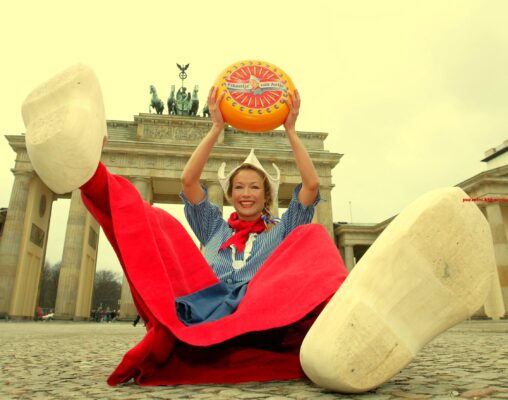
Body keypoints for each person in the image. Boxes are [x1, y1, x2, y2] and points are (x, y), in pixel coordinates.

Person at [22, 64, 496, 393]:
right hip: (207, 307)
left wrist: (290, 130)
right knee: (157, 223)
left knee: (310, 238)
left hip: (266, 311)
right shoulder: (212, 225)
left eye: (254, 187)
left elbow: (311, 185)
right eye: (239, 187)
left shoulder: (280, 230)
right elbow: (188, 182)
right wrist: (214, 128)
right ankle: (86, 169)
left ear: (267, 194)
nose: (246, 193)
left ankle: (359, 323)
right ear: (229, 194)